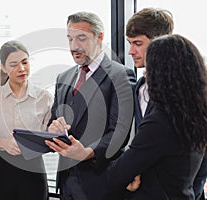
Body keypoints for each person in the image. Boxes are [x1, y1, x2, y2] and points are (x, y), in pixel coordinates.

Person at [45, 11, 136, 200]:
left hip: (102, 183)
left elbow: (120, 132)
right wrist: (53, 128)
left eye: (81, 38)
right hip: (66, 182)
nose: (74, 46)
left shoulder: (120, 75)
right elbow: (55, 120)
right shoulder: (64, 78)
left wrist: (87, 153)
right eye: (70, 39)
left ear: (99, 37)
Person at [104, 34, 207, 199]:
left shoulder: (160, 122)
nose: (146, 75)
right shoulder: (197, 114)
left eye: (149, 69)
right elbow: (200, 174)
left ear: (161, 74)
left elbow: (115, 176)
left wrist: (130, 178)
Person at [126, 8, 207, 199]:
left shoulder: (192, 90)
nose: (131, 51)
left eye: (138, 43)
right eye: (129, 43)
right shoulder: (138, 87)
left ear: (160, 42)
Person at [0, 40, 53, 200]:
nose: (21, 69)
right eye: (13, 64)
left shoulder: (44, 97)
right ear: (3, 67)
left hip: (34, 169)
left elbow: (51, 138)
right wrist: (2, 143)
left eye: (25, 62)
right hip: (2, 169)